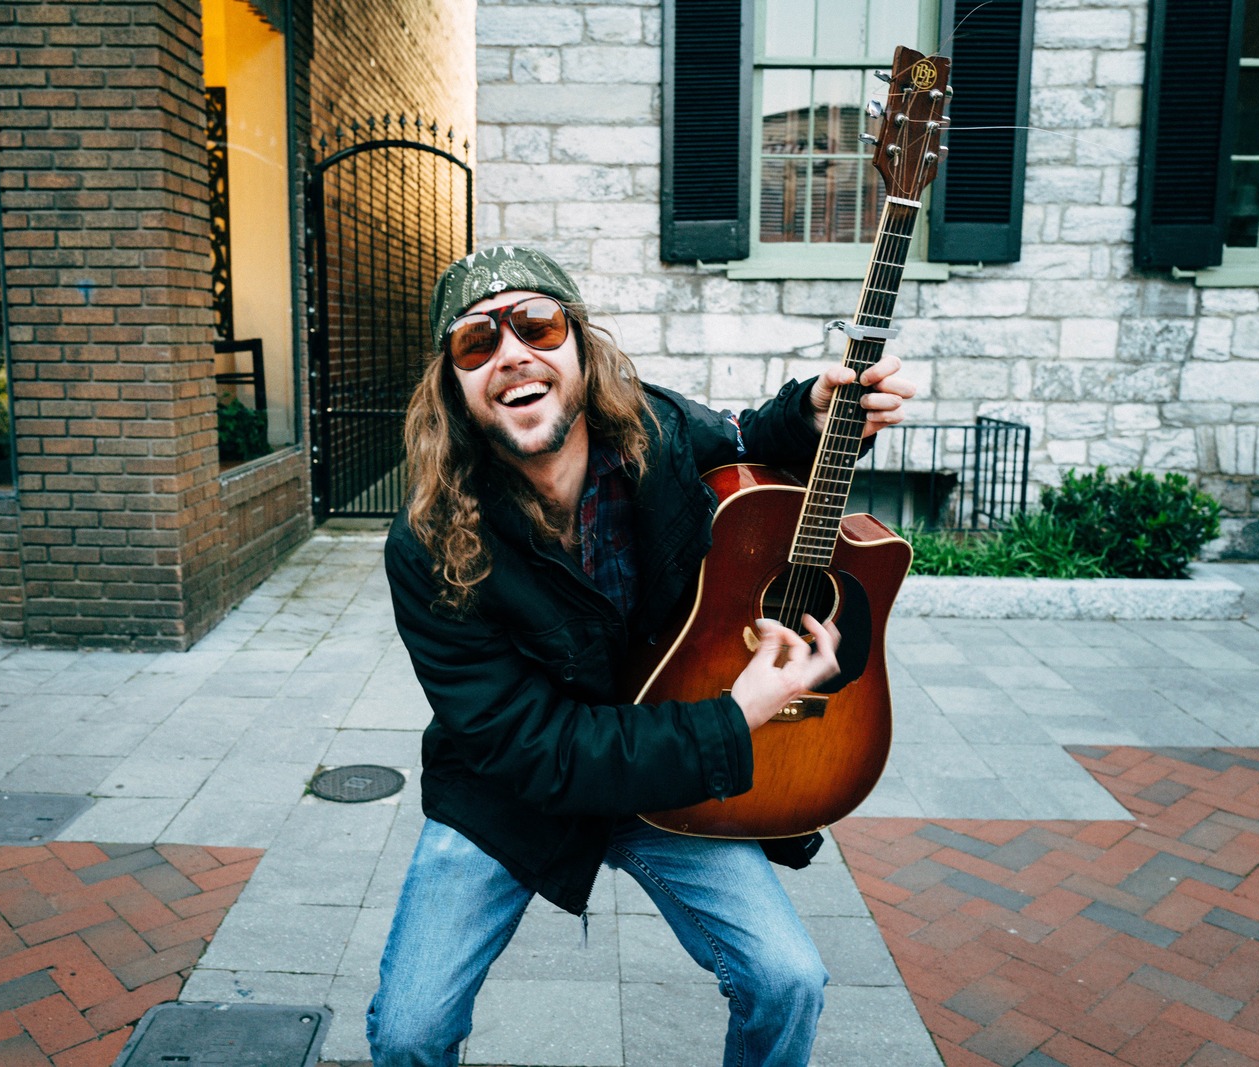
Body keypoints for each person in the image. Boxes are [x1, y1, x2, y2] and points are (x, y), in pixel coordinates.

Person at [370, 245, 915, 1066]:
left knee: (789, 979)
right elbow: (532, 748)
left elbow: (744, 440)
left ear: (581, 351)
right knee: (409, 1030)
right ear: (453, 385)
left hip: (670, 761)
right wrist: (735, 718)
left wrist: (815, 411)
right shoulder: (425, 544)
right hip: (516, 789)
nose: (513, 352)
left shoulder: (653, 431)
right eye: (477, 343)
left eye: (538, 325)